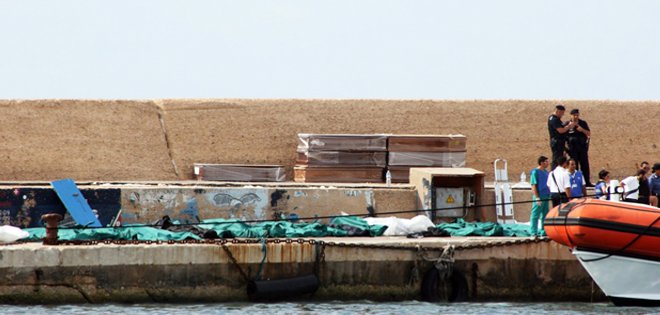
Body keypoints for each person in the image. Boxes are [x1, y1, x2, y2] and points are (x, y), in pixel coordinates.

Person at [565, 109, 592, 186]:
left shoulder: (582, 123)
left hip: (582, 146)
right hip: (572, 148)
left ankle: (587, 182)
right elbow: (564, 135)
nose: (576, 117)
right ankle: (576, 181)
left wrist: (582, 130)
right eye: (574, 115)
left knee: (585, 164)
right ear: (571, 115)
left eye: (577, 115)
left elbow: (589, 133)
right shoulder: (567, 124)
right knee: (574, 164)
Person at [548, 105, 576, 169]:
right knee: (556, 159)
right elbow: (561, 130)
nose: (562, 115)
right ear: (558, 111)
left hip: (559, 142)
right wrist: (569, 126)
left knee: (561, 158)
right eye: (562, 113)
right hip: (557, 142)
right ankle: (554, 173)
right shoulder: (554, 119)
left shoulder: (556, 119)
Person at [529, 156, 551, 236]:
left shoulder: (546, 172)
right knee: (535, 214)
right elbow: (534, 185)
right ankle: (533, 231)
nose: (548, 163)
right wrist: (537, 197)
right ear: (541, 162)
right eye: (546, 161)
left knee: (545, 214)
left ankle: (544, 231)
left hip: (546, 195)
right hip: (539, 196)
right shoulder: (535, 172)